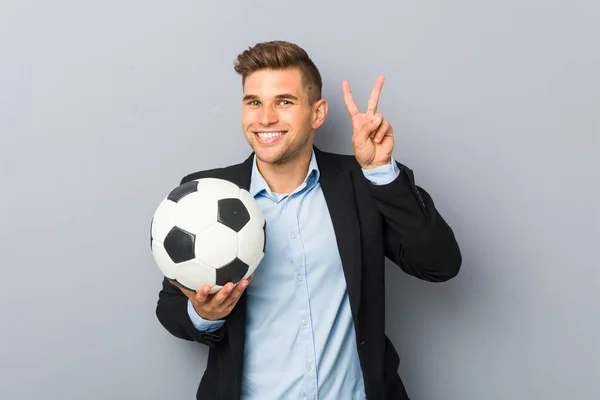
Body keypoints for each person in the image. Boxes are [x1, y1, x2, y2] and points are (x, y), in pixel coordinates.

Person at [155, 40, 462, 400]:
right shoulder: (205, 194)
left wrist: (381, 172)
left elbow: (440, 264)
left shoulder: (361, 183)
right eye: (254, 102)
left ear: (317, 113)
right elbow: (171, 306)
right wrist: (204, 313)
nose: (265, 118)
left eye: (284, 102)